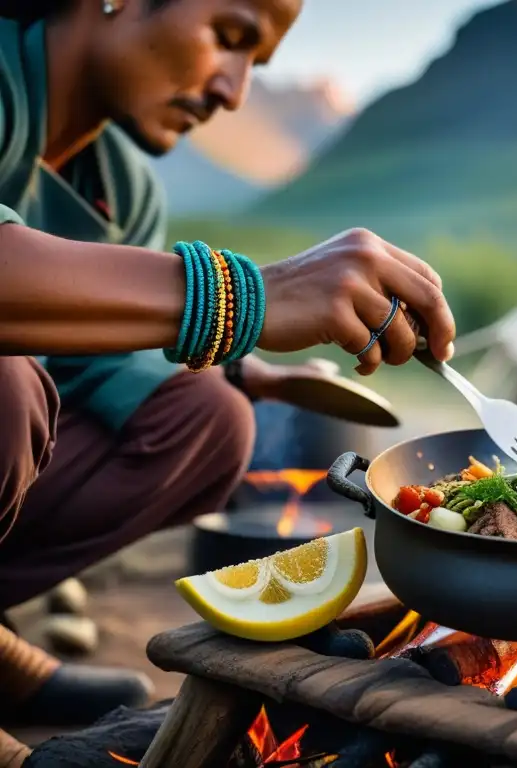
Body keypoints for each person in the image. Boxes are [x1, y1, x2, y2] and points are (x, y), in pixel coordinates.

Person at [0, 0, 457, 762]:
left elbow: (95, 359)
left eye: (257, 62)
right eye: (231, 36)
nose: (234, 91)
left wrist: (246, 367)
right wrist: (249, 295)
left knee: (208, 418)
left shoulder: (122, 191)